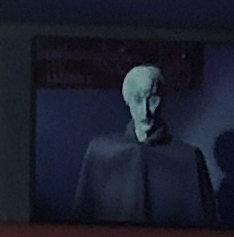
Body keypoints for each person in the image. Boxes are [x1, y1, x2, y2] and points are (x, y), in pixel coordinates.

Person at [68, 62, 215, 227]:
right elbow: (83, 222)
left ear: (163, 99)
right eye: (137, 99)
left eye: (152, 99)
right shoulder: (101, 153)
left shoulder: (188, 158)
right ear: (127, 101)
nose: (145, 111)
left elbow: (204, 228)